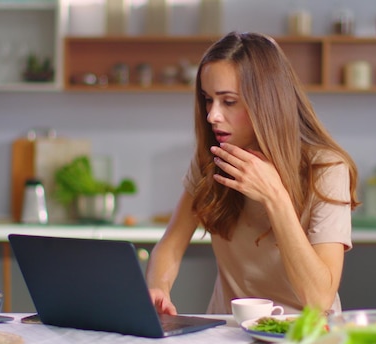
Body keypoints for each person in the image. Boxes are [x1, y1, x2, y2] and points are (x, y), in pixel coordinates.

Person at [146, 31, 359, 316]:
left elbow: (319, 299)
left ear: (267, 102)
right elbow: (170, 246)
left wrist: (275, 196)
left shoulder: (326, 168)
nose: (212, 115)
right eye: (208, 100)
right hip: (227, 334)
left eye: (229, 101)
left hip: (303, 336)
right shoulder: (212, 160)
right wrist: (158, 288)